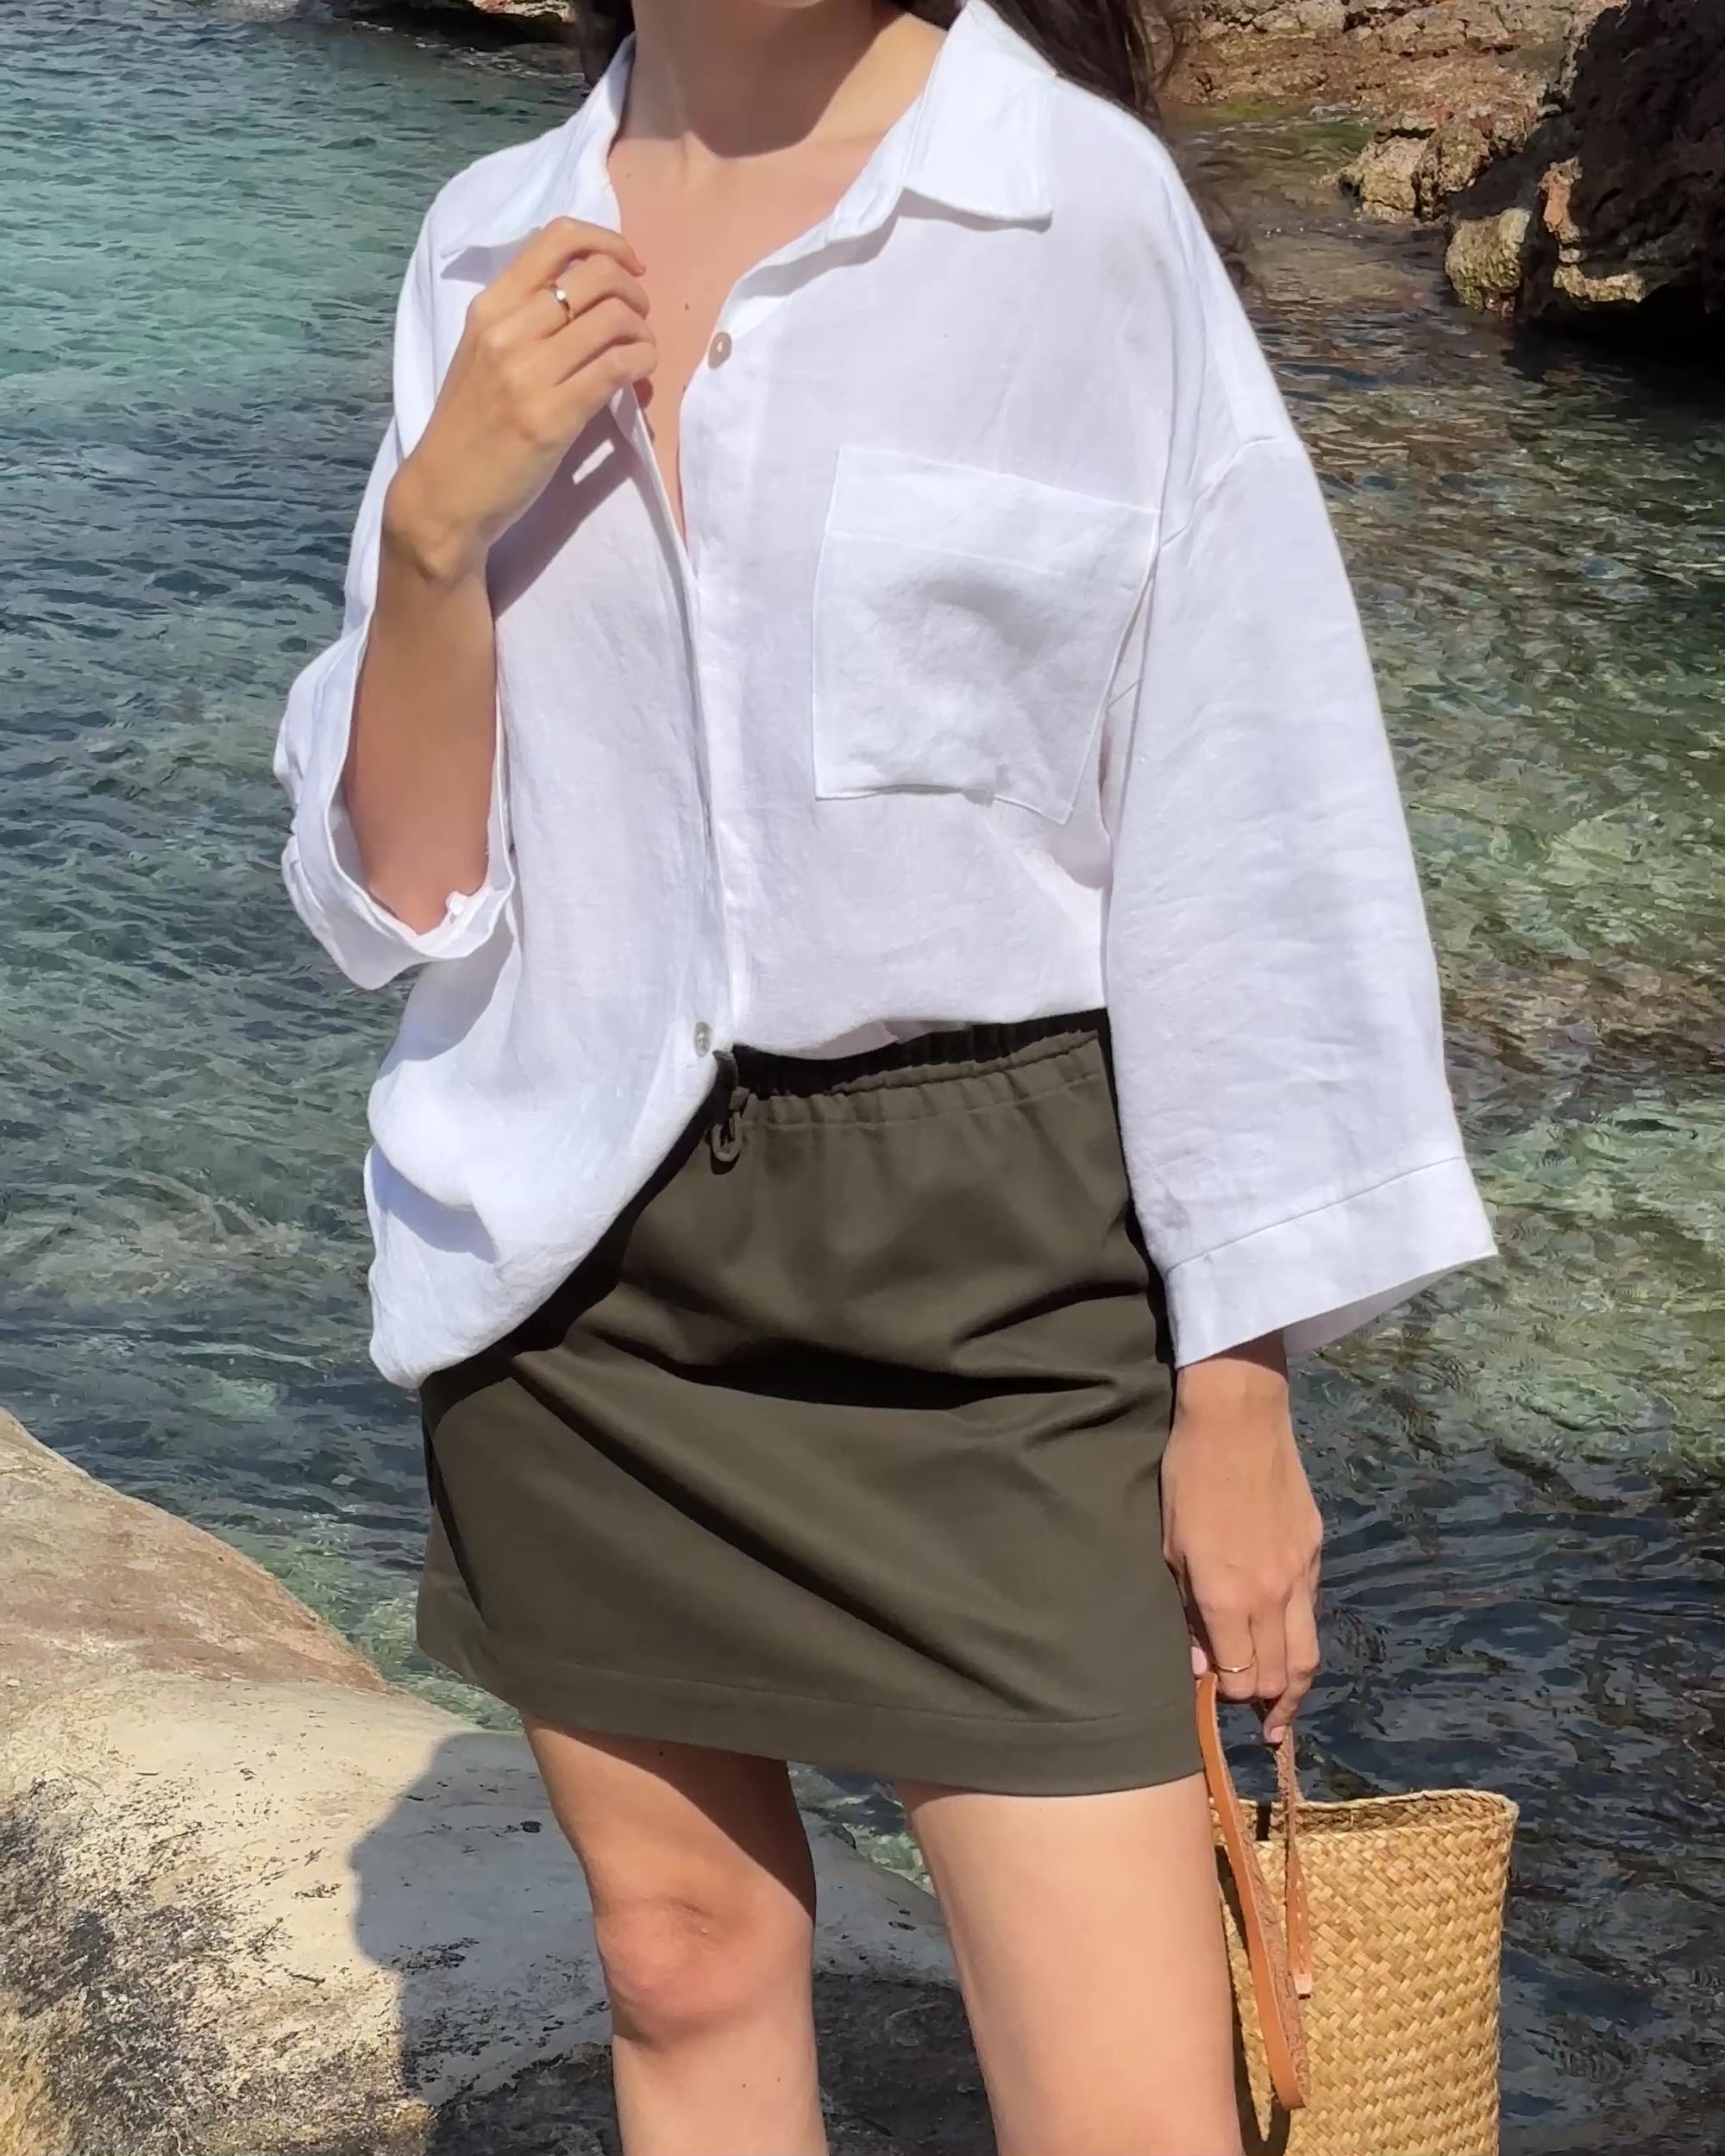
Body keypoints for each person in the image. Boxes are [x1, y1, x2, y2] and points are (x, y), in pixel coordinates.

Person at [273, 0, 1496, 2147]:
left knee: (1127, 2098)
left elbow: (1250, 806)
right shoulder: (487, 242)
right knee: (677, 1961)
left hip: (1000, 1285)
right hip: (579, 1267)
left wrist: (1239, 1387)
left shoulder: (1077, 214)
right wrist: (430, 540)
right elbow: (408, 889)